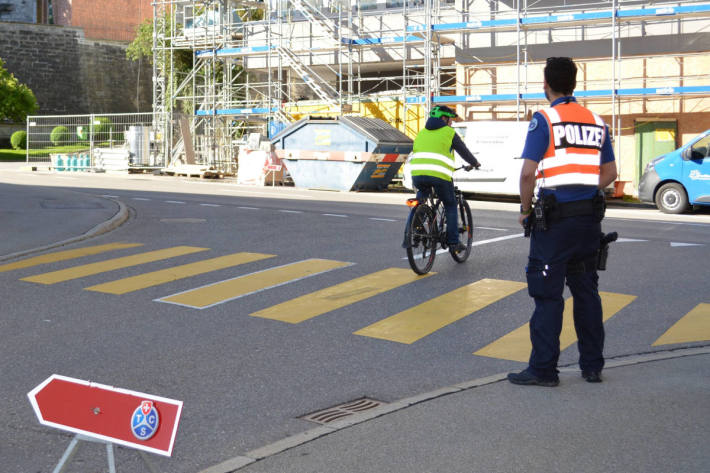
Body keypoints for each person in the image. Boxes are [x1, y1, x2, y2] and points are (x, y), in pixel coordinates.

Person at [508, 57, 618, 387]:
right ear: (573, 83)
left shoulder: (545, 119)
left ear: (547, 85)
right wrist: (584, 188)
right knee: (586, 294)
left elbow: (528, 173)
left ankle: (543, 370)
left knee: (548, 296)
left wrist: (526, 210)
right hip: (588, 223)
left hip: (554, 225)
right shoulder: (597, 122)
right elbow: (611, 173)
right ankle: (592, 366)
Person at [405, 105, 480, 253]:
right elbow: (463, 151)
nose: (451, 123)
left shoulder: (421, 133)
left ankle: (414, 231)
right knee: (450, 205)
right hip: (440, 176)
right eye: (450, 120)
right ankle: (453, 242)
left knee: (420, 200)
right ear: (444, 118)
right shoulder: (448, 133)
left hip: (418, 175)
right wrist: (474, 163)